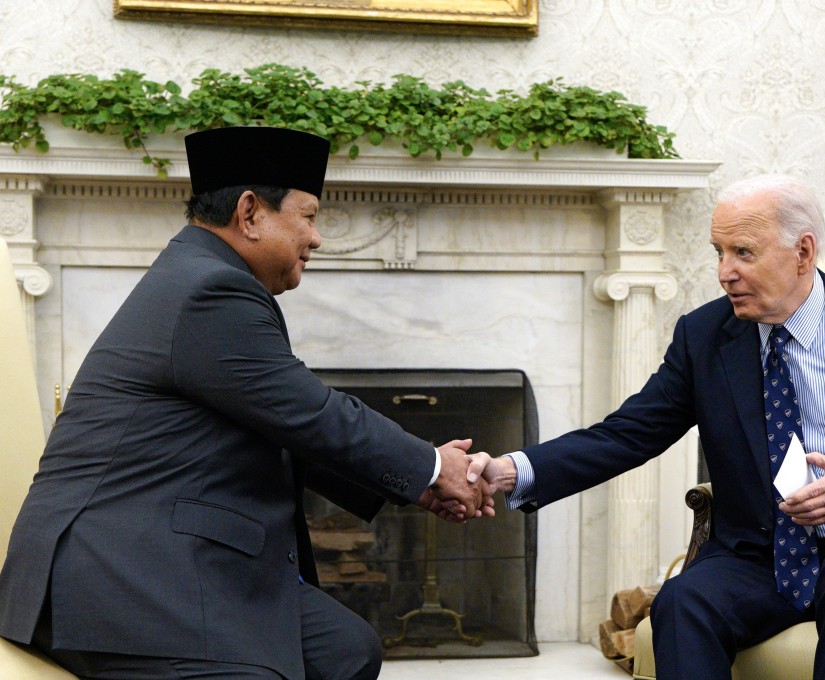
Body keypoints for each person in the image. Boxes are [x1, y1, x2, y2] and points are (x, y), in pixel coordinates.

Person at [0, 126, 493, 680]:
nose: (318, 238)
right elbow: (313, 414)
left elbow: (286, 424)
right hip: (112, 580)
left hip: (165, 557)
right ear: (251, 212)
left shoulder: (202, 276)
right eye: (309, 217)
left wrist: (422, 485)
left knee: (349, 651)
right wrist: (431, 467)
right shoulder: (210, 291)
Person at [480, 174, 825, 680]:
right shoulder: (704, 336)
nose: (724, 272)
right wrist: (510, 471)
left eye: (744, 253)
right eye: (719, 252)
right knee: (682, 602)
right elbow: (625, 434)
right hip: (760, 554)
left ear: (803, 252)